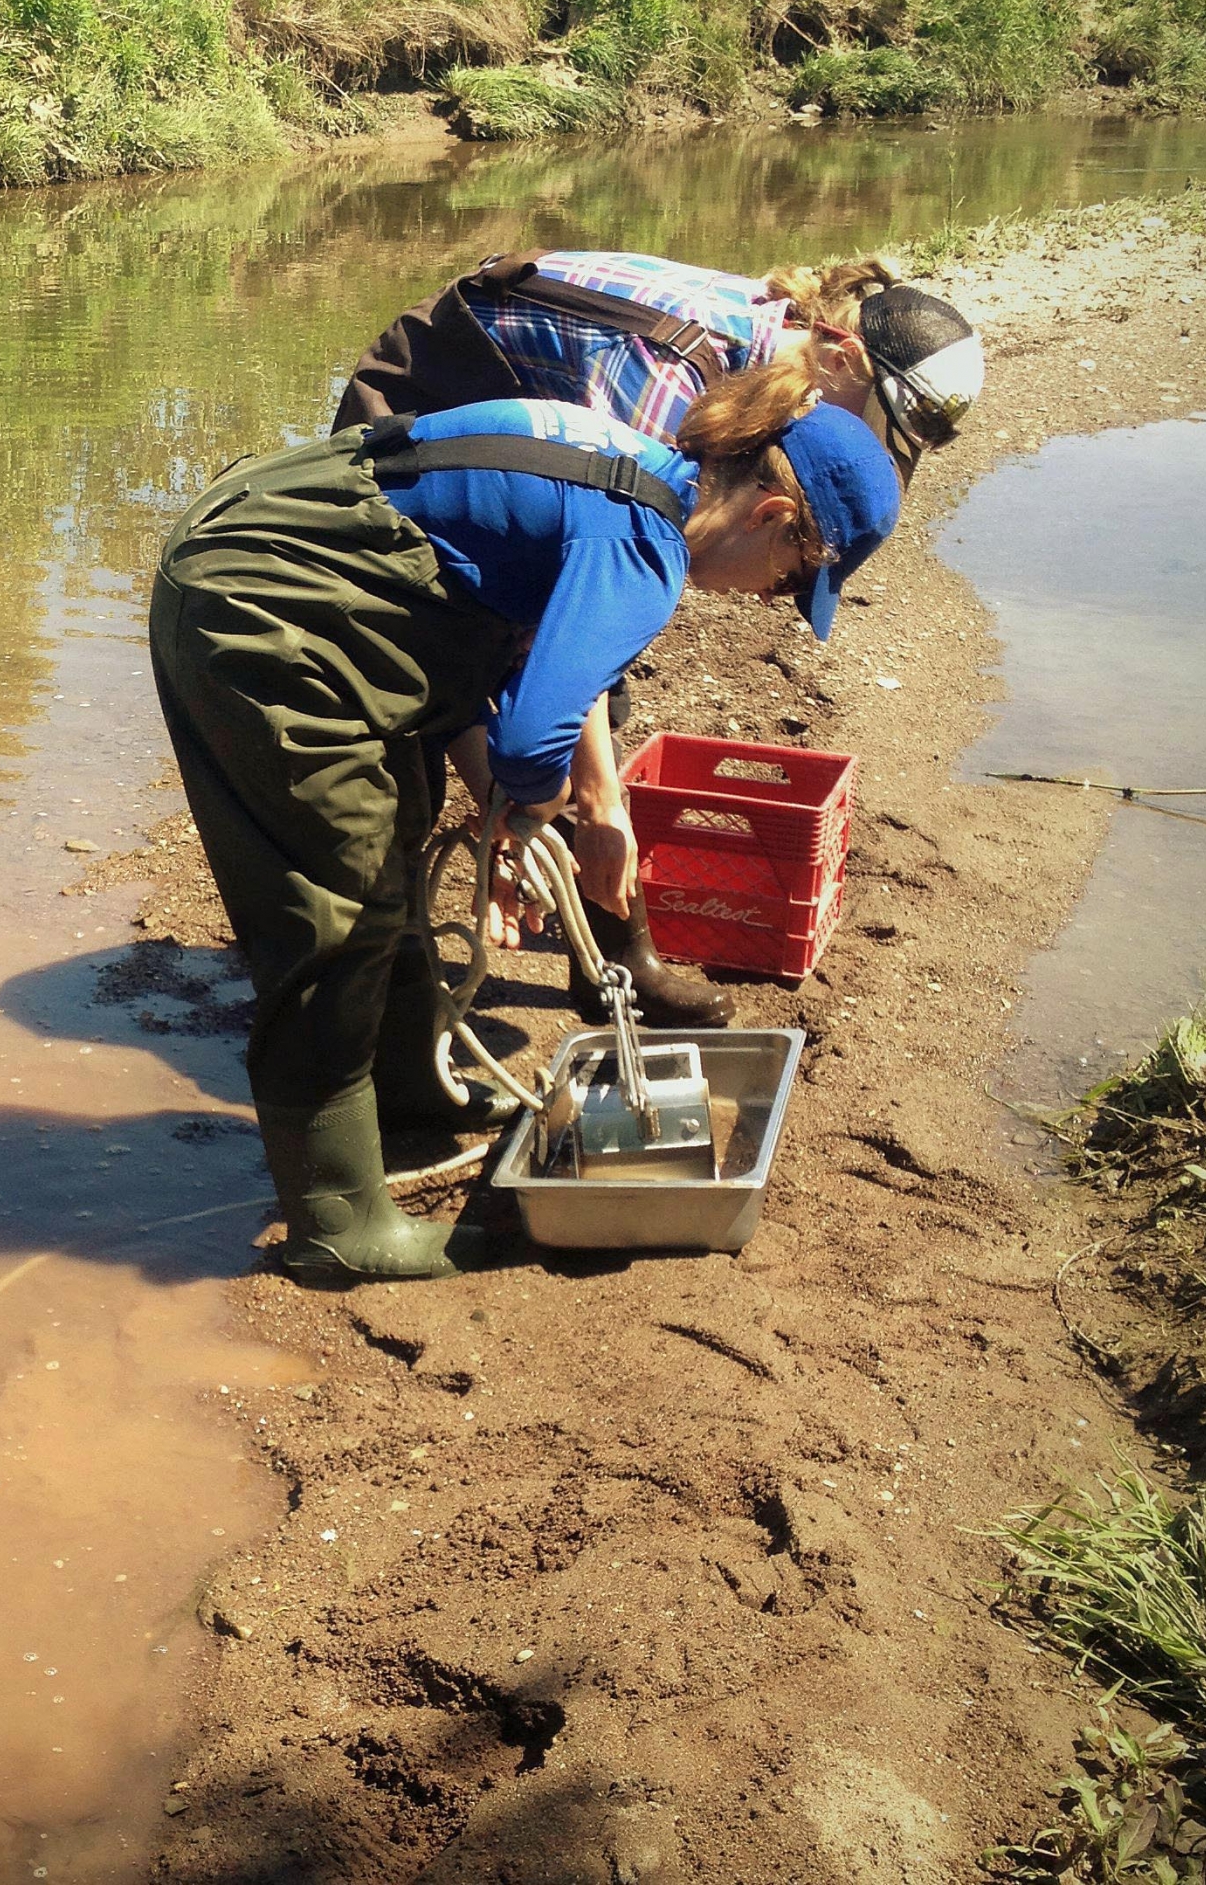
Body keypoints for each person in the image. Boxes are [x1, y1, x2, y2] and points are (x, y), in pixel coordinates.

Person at [149, 375, 902, 1285]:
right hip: (260, 610)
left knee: (397, 836)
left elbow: (485, 639)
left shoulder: (633, 469)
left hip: (276, 561)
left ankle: (408, 1084)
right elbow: (541, 731)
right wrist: (528, 816)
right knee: (336, 906)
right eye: (792, 581)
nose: (769, 599)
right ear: (773, 515)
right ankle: (336, 1222)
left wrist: (515, 810)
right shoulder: (645, 550)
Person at [333, 248, 983, 1026]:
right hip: (424, 411)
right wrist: (583, 807)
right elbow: (580, 605)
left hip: (528, 457)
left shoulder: (780, 364)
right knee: (436, 706)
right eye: (866, 426)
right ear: (840, 354)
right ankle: (422, 986)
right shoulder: (667, 383)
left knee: (559, 705)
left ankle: (606, 953)